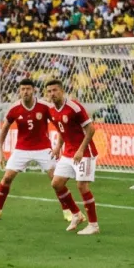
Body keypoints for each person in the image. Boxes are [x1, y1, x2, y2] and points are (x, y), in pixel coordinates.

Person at [0, 81, 57, 221]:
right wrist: (0, 151)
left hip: (43, 148)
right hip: (22, 149)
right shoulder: (14, 108)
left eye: (28, 89)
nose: (25, 91)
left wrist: (58, 147)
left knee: (57, 180)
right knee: (6, 178)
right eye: (23, 89)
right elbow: (5, 129)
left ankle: (68, 211)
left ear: (34, 90)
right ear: (19, 91)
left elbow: (60, 125)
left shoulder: (45, 107)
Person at [44, 78, 100, 235]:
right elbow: (63, 131)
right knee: (56, 183)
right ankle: (76, 214)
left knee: (82, 186)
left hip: (84, 152)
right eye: (49, 91)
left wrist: (81, 150)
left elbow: (91, 129)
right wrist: (57, 147)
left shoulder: (74, 107)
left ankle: (94, 225)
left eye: (55, 90)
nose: (52, 94)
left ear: (62, 91)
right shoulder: (52, 110)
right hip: (68, 152)